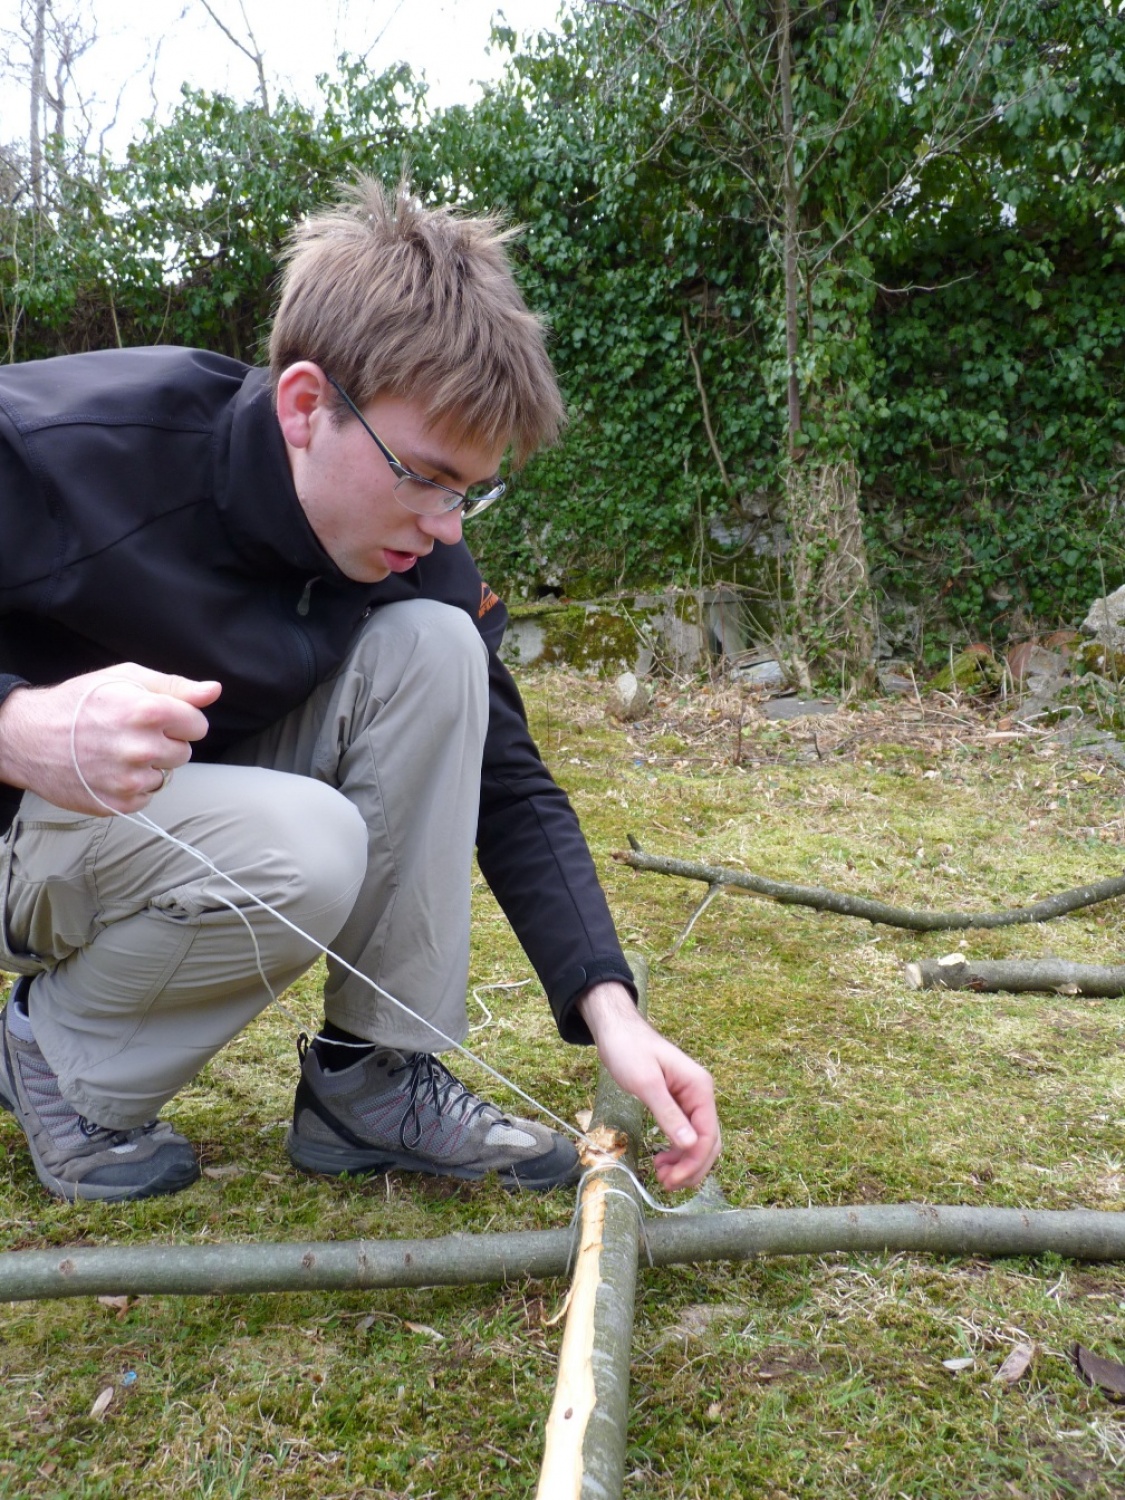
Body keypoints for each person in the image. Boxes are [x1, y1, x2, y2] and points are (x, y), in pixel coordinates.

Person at [0, 177, 720, 1205]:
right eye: (423, 476)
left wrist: (614, 1011)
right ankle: (57, 1063)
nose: (447, 525)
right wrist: (16, 723)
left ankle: (372, 1077)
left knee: (439, 646)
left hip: (162, 818)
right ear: (307, 407)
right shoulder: (61, 447)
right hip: (19, 831)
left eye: (468, 490)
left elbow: (508, 782)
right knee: (308, 842)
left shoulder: (417, 550)